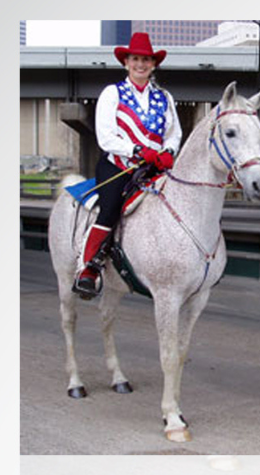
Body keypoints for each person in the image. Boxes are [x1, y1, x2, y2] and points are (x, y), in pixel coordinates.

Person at [73, 32, 182, 299]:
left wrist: (168, 151)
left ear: (153, 64)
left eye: (146, 60)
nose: (141, 64)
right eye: (135, 59)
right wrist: (136, 150)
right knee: (110, 209)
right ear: (126, 63)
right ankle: (89, 268)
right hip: (119, 166)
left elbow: (174, 132)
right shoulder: (112, 93)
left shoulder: (164, 97)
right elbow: (106, 136)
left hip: (154, 168)